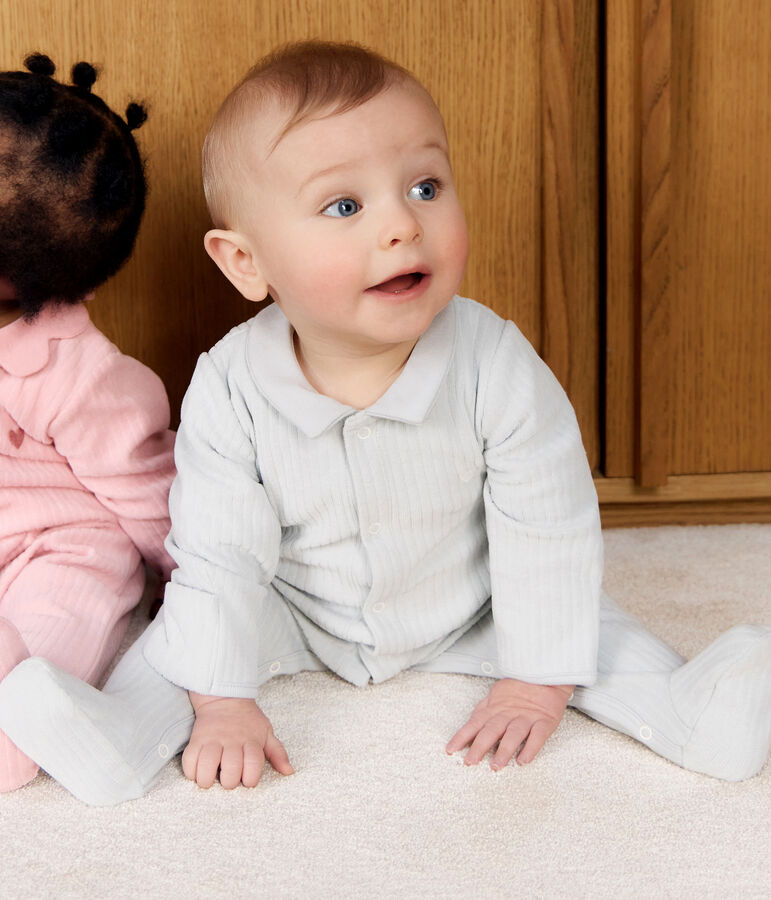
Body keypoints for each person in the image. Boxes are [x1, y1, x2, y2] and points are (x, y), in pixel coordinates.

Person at [0, 41, 767, 806]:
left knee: (593, 631)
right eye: (345, 206)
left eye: (426, 186)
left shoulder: (494, 361)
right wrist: (222, 699)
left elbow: (548, 524)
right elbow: (220, 551)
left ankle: (699, 716)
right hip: (293, 609)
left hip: (474, 602)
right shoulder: (228, 384)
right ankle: (118, 741)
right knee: (181, 646)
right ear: (244, 263)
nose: (402, 223)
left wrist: (535, 680)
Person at [0, 54, 175, 793]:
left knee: (30, 696)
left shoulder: (82, 376)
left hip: (66, 551)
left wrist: (197, 598)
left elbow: (150, 500)